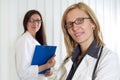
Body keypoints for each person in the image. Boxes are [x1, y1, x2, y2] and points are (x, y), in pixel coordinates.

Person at [55, 2, 120, 80]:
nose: (74, 28)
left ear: (93, 23)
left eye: (80, 20)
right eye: (70, 24)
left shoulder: (108, 59)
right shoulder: (70, 59)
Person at [15, 10, 55, 80]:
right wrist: (46, 66)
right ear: (26, 22)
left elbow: (39, 70)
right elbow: (23, 73)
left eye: (38, 20)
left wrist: (48, 71)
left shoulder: (37, 41)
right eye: (31, 20)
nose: (35, 23)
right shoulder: (23, 40)